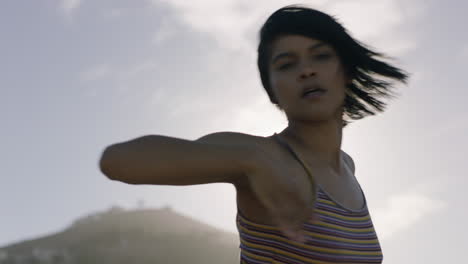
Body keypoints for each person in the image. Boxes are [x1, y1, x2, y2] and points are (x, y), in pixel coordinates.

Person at [99, 4, 408, 264]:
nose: (307, 70)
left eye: (321, 56)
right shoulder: (258, 153)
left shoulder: (348, 167)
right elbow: (118, 161)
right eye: (286, 64)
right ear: (272, 91)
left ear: (347, 70)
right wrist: (252, 158)